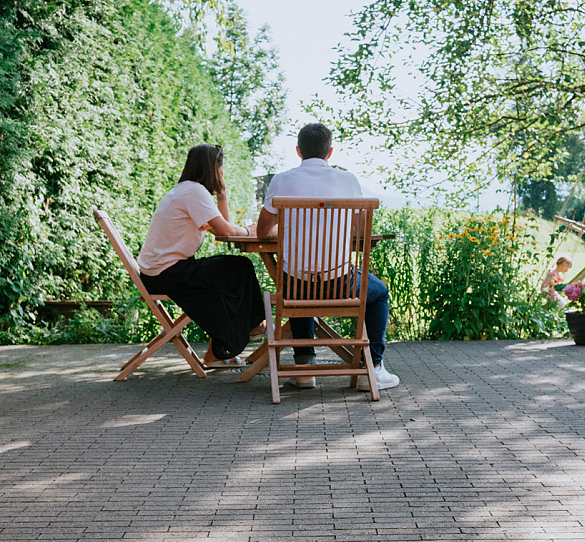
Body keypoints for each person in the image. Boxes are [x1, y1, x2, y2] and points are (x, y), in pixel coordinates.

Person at [257, 122, 400, 391]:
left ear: (298, 151)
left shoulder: (282, 180)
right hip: (340, 284)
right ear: (329, 152)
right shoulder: (348, 180)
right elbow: (359, 230)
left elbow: (263, 231)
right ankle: (374, 368)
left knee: (296, 279)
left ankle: (304, 369)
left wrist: (293, 232)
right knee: (379, 292)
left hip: (295, 288)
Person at [138, 144, 266, 368]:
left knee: (230, 270)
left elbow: (222, 225)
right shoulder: (193, 192)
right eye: (221, 167)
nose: (223, 171)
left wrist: (222, 191)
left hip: (161, 272)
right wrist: (249, 231)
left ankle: (220, 350)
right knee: (239, 268)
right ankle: (254, 326)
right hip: (168, 273)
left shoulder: (187, 190)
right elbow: (225, 231)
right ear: (213, 168)